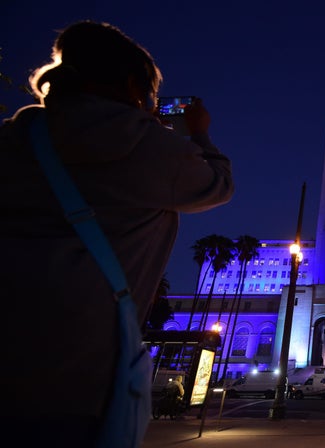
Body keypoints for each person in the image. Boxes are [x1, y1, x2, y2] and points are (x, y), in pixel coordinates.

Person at [0, 20, 234, 447]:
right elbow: (218, 183)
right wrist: (198, 132)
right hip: (76, 377)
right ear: (133, 85)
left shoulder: (14, 135)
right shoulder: (142, 144)